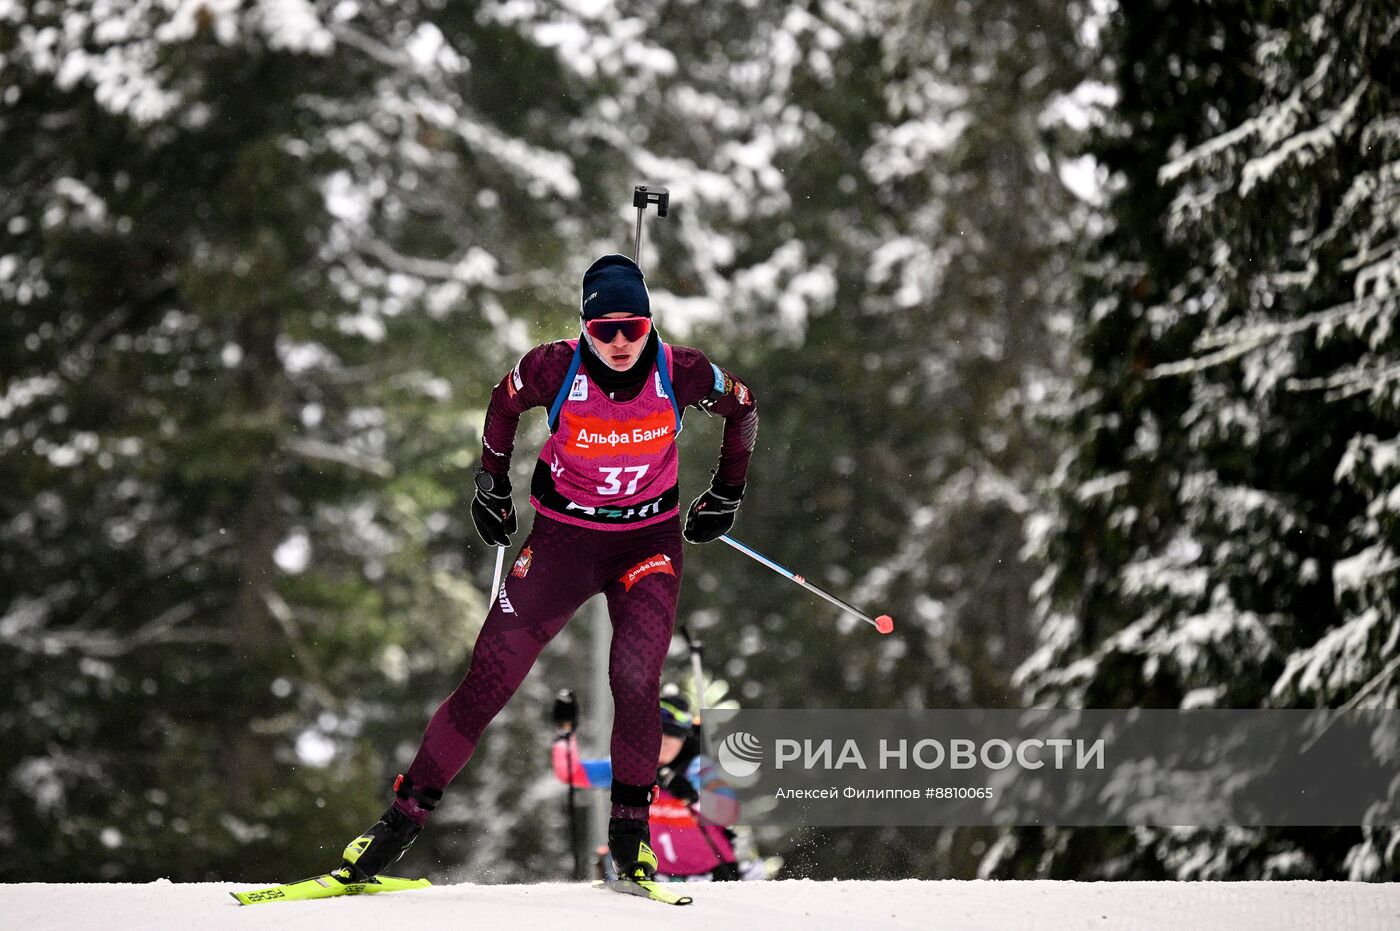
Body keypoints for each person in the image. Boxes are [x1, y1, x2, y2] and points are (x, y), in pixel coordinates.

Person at [338, 254, 759, 886]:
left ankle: (630, 838)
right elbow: (502, 406)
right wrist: (491, 487)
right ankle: (398, 823)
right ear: (584, 328)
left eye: (633, 328)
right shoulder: (552, 367)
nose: (619, 342)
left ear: (651, 324)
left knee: (636, 677)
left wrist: (727, 492)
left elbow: (745, 410)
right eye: (604, 329)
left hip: (646, 546)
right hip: (562, 543)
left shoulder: (683, 370)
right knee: (489, 677)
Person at [552, 687, 745, 881]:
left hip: (706, 873)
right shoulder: (629, 766)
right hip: (653, 875)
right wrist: (564, 731)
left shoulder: (698, 766)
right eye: (662, 733)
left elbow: (728, 811)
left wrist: (692, 796)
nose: (668, 741)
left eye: (676, 735)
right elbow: (571, 772)